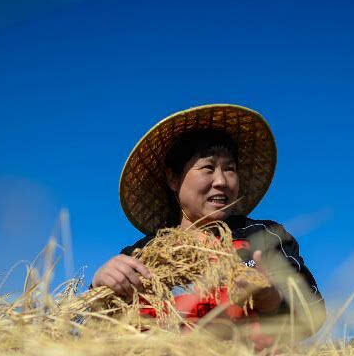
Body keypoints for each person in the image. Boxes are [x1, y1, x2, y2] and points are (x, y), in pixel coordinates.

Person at [92, 104, 325, 342]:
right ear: (173, 178)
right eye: (208, 168)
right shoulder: (141, 255)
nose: (222, 181)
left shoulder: (264, 237)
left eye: (230, 169)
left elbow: (314, 313)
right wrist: (99, 287)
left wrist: (271, 298)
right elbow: (92, 331)